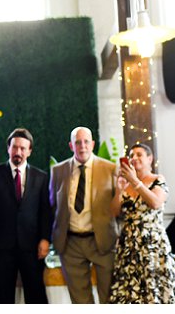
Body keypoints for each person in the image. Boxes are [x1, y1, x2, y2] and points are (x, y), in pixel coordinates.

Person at [0, 128, 55, 304]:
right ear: (8, 148)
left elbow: (45, 211)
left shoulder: (41, 177)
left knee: (36, 296)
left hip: (32, 247)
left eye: (22, 148)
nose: (18, 152)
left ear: (29, 151)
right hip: (0, 247)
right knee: (2, 297)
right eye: (14, 147)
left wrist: (45, 239)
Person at [51, 127, 120, 304]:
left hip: (103, 242)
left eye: (86, 142)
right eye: (77, 142)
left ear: (93, 144)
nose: (82, 147)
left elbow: (120, 207)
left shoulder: (110, 169)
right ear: (71, 146)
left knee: (109, 298)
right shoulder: (58, 171)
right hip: (71, 244)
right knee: (80, 301)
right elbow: (52, 206)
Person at [107, 144, 175, 303]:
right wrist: (119, 189)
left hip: (151, 244)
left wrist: (136, 182)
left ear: (150, 158)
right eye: (131, 155)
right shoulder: (126, 185)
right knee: (130, 292)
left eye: (139, 154)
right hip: (129, 246)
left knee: (153, 290)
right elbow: (114, 212)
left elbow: (155, 202)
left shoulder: (158, 179)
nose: (134, 158)